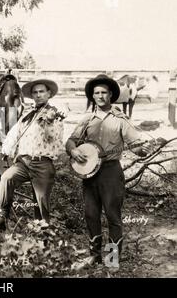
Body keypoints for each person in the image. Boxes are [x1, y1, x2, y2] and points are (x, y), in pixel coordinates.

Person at [66, 74, 149, 269]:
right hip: (89, 174)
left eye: (104, 92)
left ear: (111, 94)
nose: (101, 96)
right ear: (92, 96)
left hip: (111, 172)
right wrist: (73, 150)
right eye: (97, 93)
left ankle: (112, 259)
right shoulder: (87, 119)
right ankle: (95, 255)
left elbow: (135, 144)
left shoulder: (121, 119)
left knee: (113, 215)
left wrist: (141, 149)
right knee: (91, 214)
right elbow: (71, 141)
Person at [0, 79, 65, 230]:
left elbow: (53, 138)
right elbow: (14, 133)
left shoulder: (55, 114)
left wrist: (48, 122)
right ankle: (2, 217)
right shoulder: (28, 114)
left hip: (42, 163)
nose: (38, 95)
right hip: (23, 162)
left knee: (40, 202)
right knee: (6, 178)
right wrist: (5, 152)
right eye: (35, 92)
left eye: (42, 91)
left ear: (49, 93)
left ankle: (43, 234)